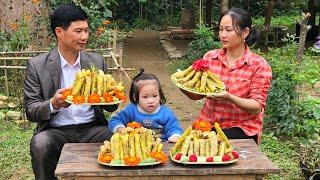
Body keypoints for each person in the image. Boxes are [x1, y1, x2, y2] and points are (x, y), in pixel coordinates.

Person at [24, 4, 118, 180]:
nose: (84, 37)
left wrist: (111, 94)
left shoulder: (96, 62)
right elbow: (31, 110)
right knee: (41, 144)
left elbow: (111, 107)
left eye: (86, 31)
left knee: (119, 137)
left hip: (92, 128)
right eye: (78, 31)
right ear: (59, 32)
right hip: (56, 130)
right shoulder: (37, 65)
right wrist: (53, 103)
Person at [181, 8, 272, 144]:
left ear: (245, 32)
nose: (223, 35)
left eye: (229, 30)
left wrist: (228, 97)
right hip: (207, 124)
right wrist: (183, 85)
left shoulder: (259, 65)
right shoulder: (210, 57)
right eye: (220, 29)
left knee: (216, 148)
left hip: (241, 128)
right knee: (187, 152)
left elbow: (256, 106)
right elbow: (198, 95)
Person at [108, 69, 183, 142]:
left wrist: (175, 136)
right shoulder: (131, 110)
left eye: (155, 96)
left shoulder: (165, 113)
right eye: (145, 97)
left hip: (160, 148)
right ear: (136, 97)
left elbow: (174, 127)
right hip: (136, 147)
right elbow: (115, 120)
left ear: (160, 95)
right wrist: (120, 128)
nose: (151, 101)